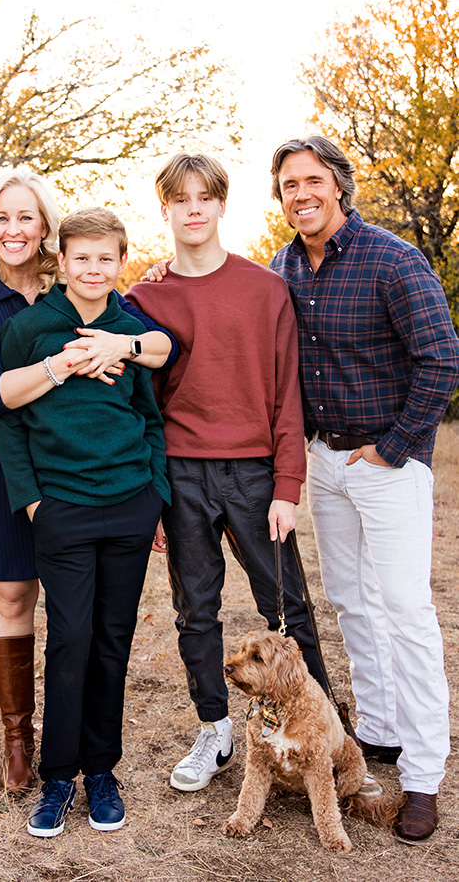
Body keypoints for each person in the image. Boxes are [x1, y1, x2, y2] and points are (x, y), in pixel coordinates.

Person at [0, 169, 177, 795]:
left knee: (109, 635)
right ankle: (31, 750)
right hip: (37, 488)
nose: (12, 229)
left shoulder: (110, 310)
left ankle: (100, 769)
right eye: (0, 218)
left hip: (123, 497)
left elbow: (160, 365)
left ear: (45, 231)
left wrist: (125, 347)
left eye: (25, 217)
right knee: (37, 613)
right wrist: (31, 498)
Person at [268, 134, 459, 844]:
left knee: (405, 607)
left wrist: (394, 447)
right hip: (323, 460)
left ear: (338, 186)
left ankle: (423, 774)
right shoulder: (281, 266)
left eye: (312, 180)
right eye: (288, 184)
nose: (301, 193)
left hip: (386, 464)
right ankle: (376, 728)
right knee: (349, 599)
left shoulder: (391, 259)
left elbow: (441, 359)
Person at [126, 152, 328, 795]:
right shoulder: (143, 298)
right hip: (181, 474)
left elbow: (286, 394)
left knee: (287, 605)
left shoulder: (266, 289)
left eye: (204, 198)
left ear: (220, 206)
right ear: (165, 209)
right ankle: (216, 729)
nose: (192, 209)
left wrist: (287, 487)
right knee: (196, 611)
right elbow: (140, 407)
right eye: (179, 199)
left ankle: (322, 729)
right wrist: (155, 494)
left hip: (253, 473)